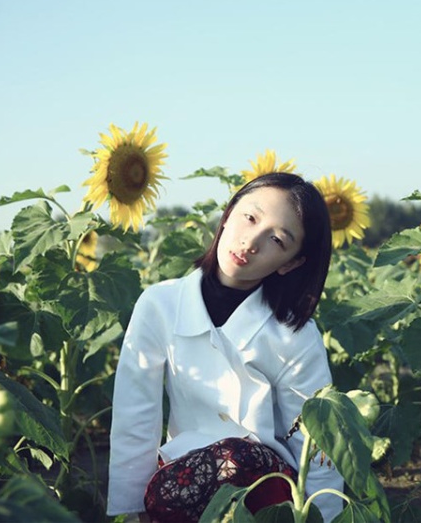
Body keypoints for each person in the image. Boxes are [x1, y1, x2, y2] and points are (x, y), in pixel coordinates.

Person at [106, 172, 344, 522]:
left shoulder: (295, 335)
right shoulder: (160, 304)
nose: (250, 242)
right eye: (250, 218)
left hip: (267, 491)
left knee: (237, 458)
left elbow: (316, 441)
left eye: (277, 240)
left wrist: (325, 516)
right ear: (228, 212)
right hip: (183, 481)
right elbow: (135, 415)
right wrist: (133, 510)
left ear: (291, 263)